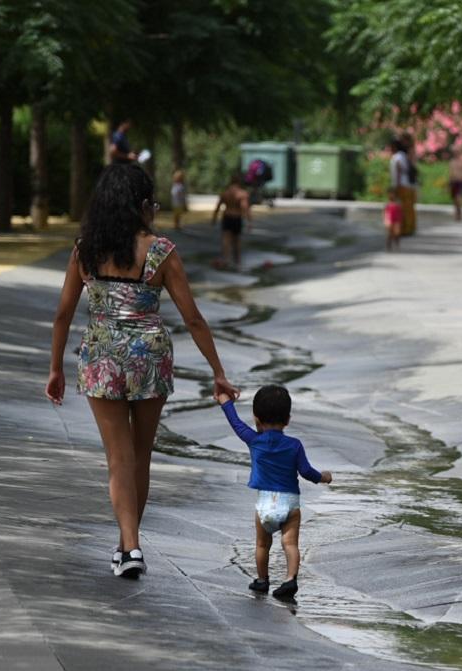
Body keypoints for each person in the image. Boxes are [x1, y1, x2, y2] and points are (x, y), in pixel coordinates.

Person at [46, 163, 238, 578]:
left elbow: (63, 315)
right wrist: (218, 371)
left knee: (118, 459)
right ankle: (127, 546)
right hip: (149, 356)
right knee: (140, 456)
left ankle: (129, 546)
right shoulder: (160, 251)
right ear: (141, 205)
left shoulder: (86, 250)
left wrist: (55, 368)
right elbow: (194, 319)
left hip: (100, 356)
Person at [218, 385, 332, 600]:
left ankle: (262, 580)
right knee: (290, 544)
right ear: (287, 419)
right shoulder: (294, 445)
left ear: (257, 419)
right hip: (289, 503)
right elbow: (306, 472)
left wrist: (225, 400)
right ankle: (290, 579)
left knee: (262, 544)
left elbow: (235, 422)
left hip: (265, 504)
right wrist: (323, 477)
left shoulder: (253, 440)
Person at [212, 171, 250, 269]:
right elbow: (245, 207)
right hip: (237, 218)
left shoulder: (225, 193)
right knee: (237, 241)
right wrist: (249, 221)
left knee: (226, 240)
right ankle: (237, 261)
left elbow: (218, 207)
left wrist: (214, 218)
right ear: (239, 182)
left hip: (227, 217)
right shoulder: (242, 194)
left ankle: (226, 260)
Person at [389, 137, 418, 237]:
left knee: (402, 209)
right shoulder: (404, 156)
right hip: (408, 185)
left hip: (401, 185)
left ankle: (403, 229)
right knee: (408, 208)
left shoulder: (397, 157)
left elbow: (398, 171)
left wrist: (395, 186)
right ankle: (410, 228)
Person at [383, 184, 403, 251]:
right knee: (389, 234)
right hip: (389, 220)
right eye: (390, 193)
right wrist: (385, 220)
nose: (391, 195)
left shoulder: (397, 202)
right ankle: (388, 246)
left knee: (397, 234)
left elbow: (400, 211)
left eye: (392, 193)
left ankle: (397, 245)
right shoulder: (387, 203)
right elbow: (385, 212)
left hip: (397, 220)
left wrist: (400, 220)